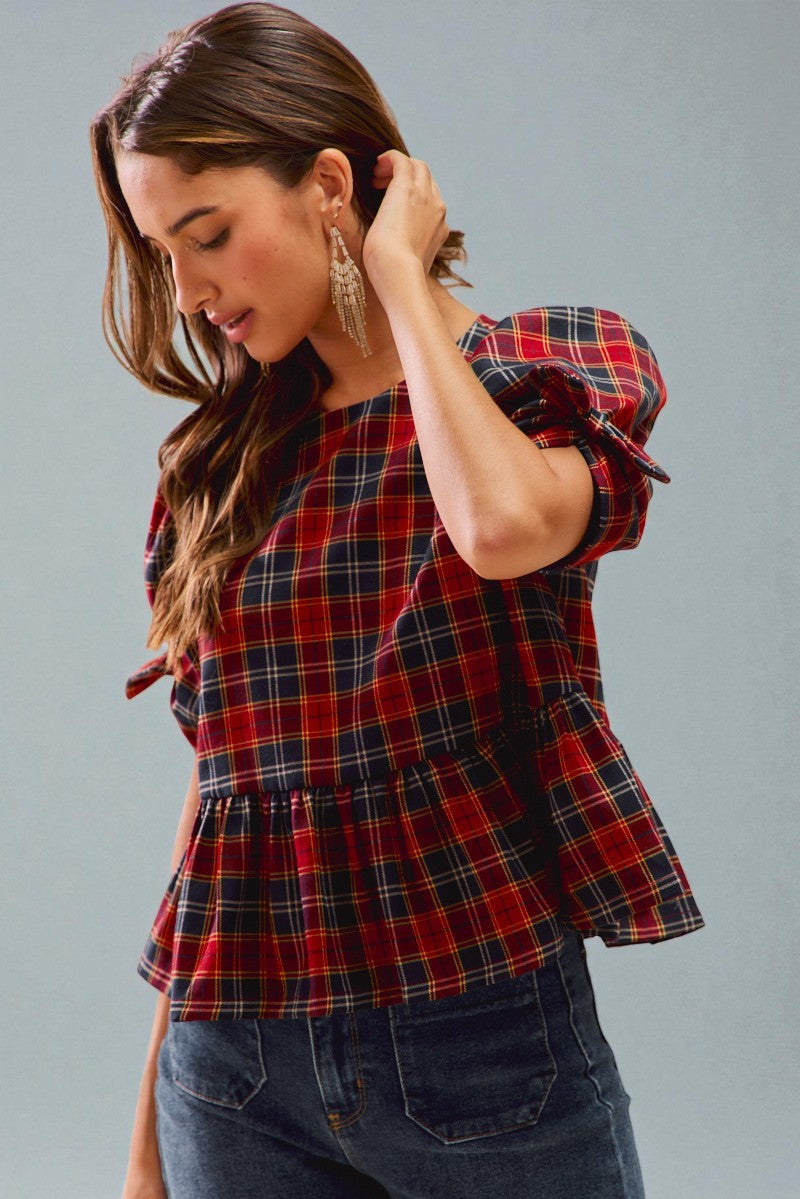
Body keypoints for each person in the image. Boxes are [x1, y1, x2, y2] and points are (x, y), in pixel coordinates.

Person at [90, 4, 705, 1196]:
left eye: (206, 235)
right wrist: (144, 1132)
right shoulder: (217, 467)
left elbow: (500, 526)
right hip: (232, 1069)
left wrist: (398, 285)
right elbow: (221, 786)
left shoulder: (553, 367)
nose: (188, 290)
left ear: (331, 182)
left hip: (481, 1039)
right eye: (165, 253)